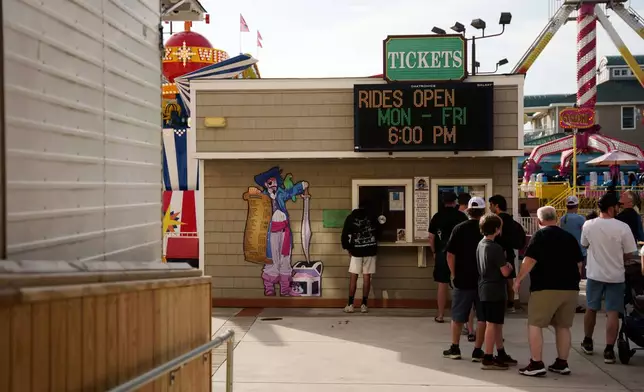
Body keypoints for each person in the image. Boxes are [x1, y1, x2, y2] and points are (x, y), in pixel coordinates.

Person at [515, 206, 583, 376]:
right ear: (556, 218)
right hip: (570, 288)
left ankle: (536, 363)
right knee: (563, 326)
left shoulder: (540, 235)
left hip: (545, 287)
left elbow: (529, 260)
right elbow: (579, 264)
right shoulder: (569, 237)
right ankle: (562, 363)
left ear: (539, 221)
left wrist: (518, 280)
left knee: (535, 324)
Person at [580, 193, 637, 363]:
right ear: (612, 208)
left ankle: (588, 341)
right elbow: (629, 253)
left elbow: (584, 244)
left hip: (594, 274)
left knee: (591, 308)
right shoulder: (623, 227)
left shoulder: (588, 225)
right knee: (613, 312)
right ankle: (609, 350)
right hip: (616, 275)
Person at [442, 197, 488, 362]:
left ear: (468, 210)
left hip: (463, 278)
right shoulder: (487, 229)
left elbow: (450, 254)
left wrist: (454, 274)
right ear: (483, 211)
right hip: (484, 280)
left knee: (458, 316)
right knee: (483, 317)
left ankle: (455, 348)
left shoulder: (459, 229)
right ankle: (477, 350)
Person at [477, 213, 517, 370]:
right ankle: (487, 356)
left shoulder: (480, 244)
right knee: (492, 324)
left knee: (497, 323)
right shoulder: (495, 248)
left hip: (484, 288)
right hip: (494, 289)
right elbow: (505, 272)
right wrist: (509, 266)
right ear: (496, 229)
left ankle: (500, 352)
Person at [428, 191, 467, 323]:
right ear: (455, 202)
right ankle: (461, 317)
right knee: (461, 285)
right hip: (459, 253)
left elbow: (431, 237)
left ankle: (440, 315)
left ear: (443, 202)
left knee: (442, 284)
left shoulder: (437, 217)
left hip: (441, 252)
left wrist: (434, 251)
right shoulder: (461, 216)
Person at [341, 201, 381, 313]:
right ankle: (364, 304)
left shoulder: (351, 217)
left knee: (353, 277)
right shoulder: (373, 217)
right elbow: (379, 232)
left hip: (356, 251)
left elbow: (344, 235)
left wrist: (348, 248)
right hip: (370, 250)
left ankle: (350, 304)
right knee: (367, 277)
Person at [489, 195, 523, 313]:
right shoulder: (511, 220)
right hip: (509, 252)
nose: (490, 207)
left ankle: (497, 304)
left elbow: (496, 237)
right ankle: (511, 305)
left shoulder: (496, 220)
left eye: (491, 205)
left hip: (497, 252)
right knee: (509, 279)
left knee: (495, 278)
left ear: (496, 205)